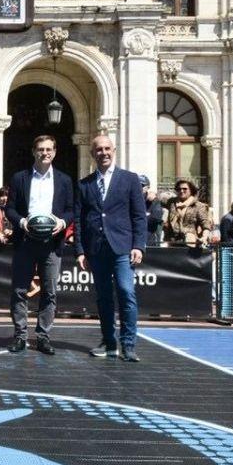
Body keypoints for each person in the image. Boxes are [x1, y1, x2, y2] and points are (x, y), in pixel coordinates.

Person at [73, 135, 147, 363]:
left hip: (122, 247)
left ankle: (128, 344)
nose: (103, 153)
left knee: (126, 292)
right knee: (104, 297)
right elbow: (78, 219)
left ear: (113, 150)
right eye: (98, 149)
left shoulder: (130, 179)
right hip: (96, 249)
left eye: (107, 148)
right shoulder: (84, 184)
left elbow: (138, 216)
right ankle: (109, 342)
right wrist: (80, 250)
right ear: (92, 153)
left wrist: (138, 245)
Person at [4, 135, 76, 355]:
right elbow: (10, 209)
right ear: (33, 151)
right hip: (25, 241)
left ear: (54, 152)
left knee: (50, 292)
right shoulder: (20, 178)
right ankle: (20, 335)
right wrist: (22, 221)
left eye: (49, 150)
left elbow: (72, 209)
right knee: (19, 290)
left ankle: (43, 336)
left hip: (51, 242)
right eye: (41, 149)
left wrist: (63, 222)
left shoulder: (64, 180)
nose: (45, 153)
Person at [164, 179, 213, 247]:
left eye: (185, 189)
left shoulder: (198, 206)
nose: (181, 191)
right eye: (179, 189)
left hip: (190, 243)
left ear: (191, 190)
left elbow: (205, 224)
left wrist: (204, 237)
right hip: (172, 242)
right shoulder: (171, 203)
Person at [137, 176, 164, 246]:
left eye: (141, 185)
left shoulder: (153, 201)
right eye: (136, 184)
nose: (138, 187)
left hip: (148, 241)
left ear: (147, 188)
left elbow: (156, 218)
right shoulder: (129, 199)